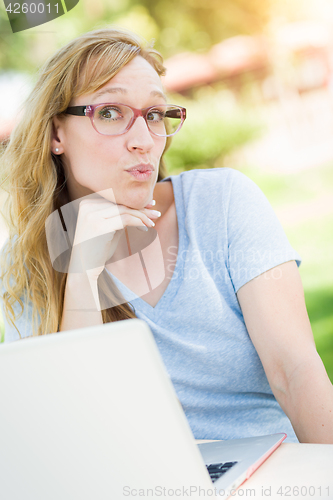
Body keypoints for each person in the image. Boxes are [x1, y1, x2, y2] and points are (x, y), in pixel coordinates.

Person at [1, 27, 332, 445]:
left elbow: (296, 372)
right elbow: (75, 436)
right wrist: (81, 273)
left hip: (269, 473)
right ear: (55, 134)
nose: (143, 141)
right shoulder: (26, 261)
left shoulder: (222, 203)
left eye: (154, 115)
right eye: (109, 113)